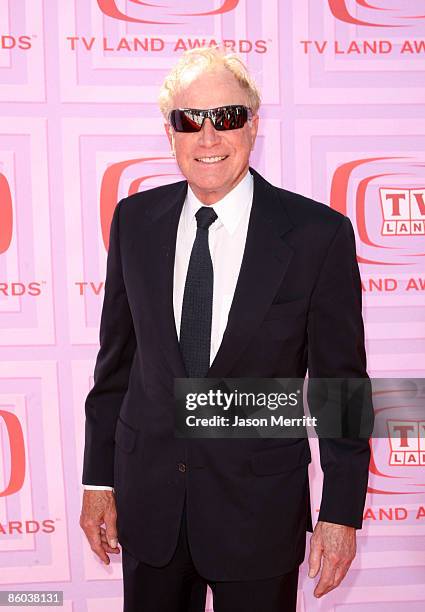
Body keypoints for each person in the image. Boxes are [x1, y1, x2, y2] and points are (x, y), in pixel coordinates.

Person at [80, 46, 373, 612]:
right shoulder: (134, 222)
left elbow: (342, 388)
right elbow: (114, 366)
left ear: (254, 125)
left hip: (258, 514)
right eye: (191, 120)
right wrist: (98, 482)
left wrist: (340, 511)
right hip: (150, 512)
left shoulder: (318, 235)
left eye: (228, 117)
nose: (208, 137)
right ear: (171, 134)